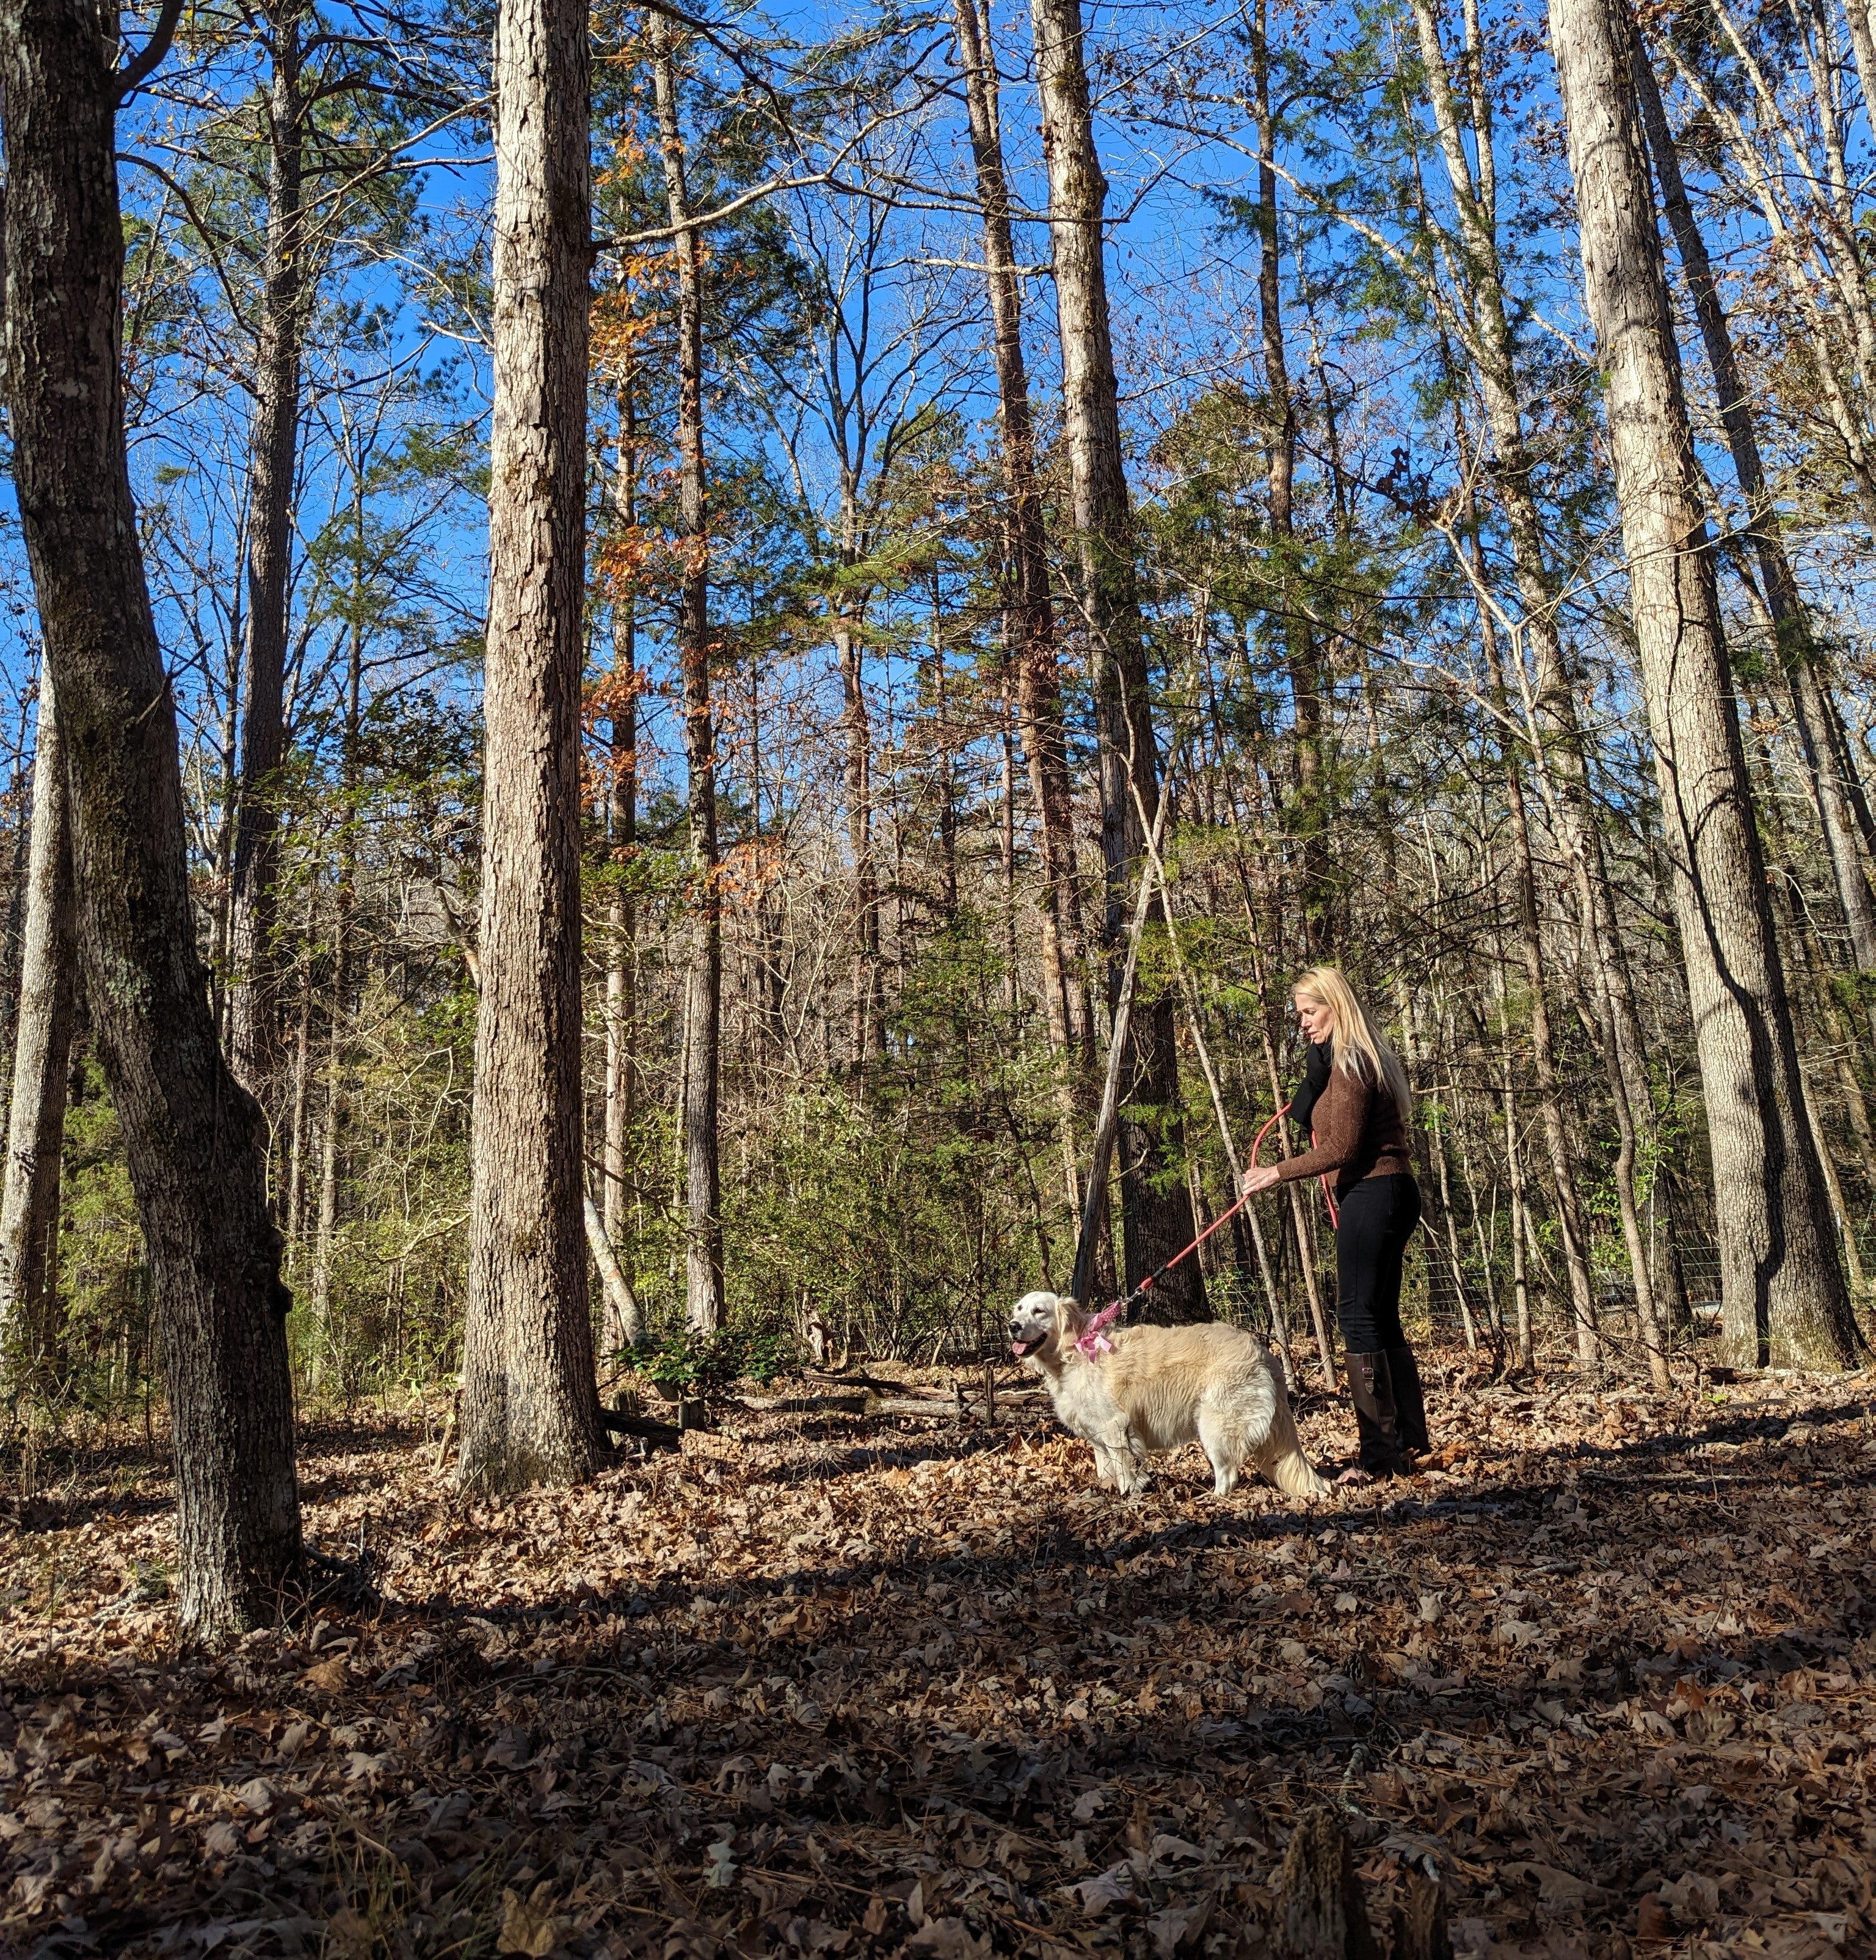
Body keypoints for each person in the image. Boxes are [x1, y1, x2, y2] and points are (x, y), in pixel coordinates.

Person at [1240, 965, 1429, 1481]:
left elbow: (1342, 1148)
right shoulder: (1347, 1060)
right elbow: (1315, 1119)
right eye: (1298, 1013)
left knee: (1358, 1319)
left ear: (1336, 1005)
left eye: (1310, 1011)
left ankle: (1379, 1457)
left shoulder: (1352, 1062)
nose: (1302, 1022)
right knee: (1382, 1318)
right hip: (1389, 1191)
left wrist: (1274, 1173)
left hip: (1374, 1193)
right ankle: (1410, 1440)